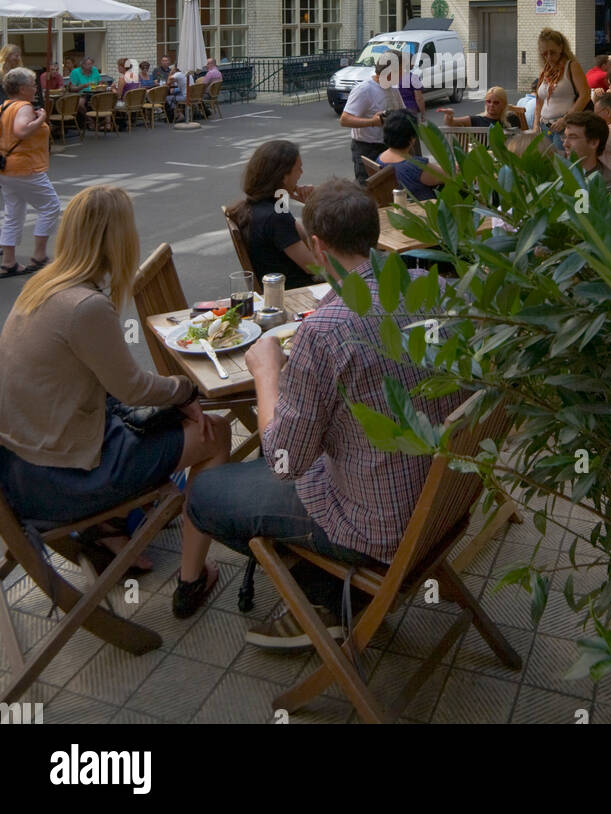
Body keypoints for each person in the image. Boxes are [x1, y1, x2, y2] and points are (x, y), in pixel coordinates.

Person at [186, 180, 467, 650]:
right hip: (442, 502)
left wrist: (266, 373)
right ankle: (325, 593)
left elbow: (284, 464)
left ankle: (323, 588)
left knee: (207, 493)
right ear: (374, 233)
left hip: (377, 526)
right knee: (316, 444)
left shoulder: (327, 331)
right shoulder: (438, 289)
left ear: (316, 245)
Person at [0, 186, 231, 618]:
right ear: (118, 241)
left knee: (155, 421)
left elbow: (114, 389)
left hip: (23, 467)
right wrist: (186, 391)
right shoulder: (85, 305)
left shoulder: (42, 285)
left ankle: (107, 529)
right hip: (61, 483)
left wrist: (171, 399)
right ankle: (191, 579)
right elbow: (134, 389)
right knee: (215, 432)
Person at [227, 140, 318, 290]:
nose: (301, 173)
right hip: (296, 292)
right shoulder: (276, 218)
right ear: (283, 176)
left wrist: (287, 194)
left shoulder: (253, 206)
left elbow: (300, 235)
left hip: (275, 288)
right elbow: (314, 267)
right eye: (298, 168)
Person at [0, 67, 61, 277]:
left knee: (14, 213)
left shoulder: (5, 106)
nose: (36, 88)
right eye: (33, 85)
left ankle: (9, 261)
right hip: (26, 167)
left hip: (7, 167)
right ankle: (39, 256)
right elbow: (21, 130)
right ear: (23, 88)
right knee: (51, 206)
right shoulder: (23, 107)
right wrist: (40, 119)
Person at [340, 53, 404, 183]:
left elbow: (403, 113)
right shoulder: (364, 90)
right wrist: (373, 122)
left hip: (389, 147)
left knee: (388, 187)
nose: (403, 74)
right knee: (367, 189)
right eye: (401, 71)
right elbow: (345, 119)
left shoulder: (393, 90)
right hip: (367, 148)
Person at [532, 29, 590, 150]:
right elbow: (539, 101)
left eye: (552, 52)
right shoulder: (545, 71)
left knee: (562, 164)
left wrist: (565, 120)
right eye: (544, 53)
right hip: (545, 126)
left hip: (565, 127)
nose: (548, 57)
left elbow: (585, 96)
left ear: (561, 47)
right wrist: (536, 125)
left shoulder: (572, 66)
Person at [376, 111, 446, 201]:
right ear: (412, 138)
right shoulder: (416, 166)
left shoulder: (380, 158)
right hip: (422, 210)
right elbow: (447, 175)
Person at [562, 111, 611, 192]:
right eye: (565, 137)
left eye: (573, 137)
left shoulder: (606, 185)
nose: (565, 144)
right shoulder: (560, 171)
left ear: (593, 143)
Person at [439, 86, 521, 131]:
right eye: (488, 101)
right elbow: (450, 123)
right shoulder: (477, 120)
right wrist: (449, 115)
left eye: (496, 102)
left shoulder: (511, 119)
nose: (491, 105)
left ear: (503, 104)